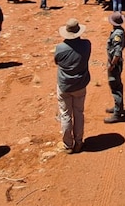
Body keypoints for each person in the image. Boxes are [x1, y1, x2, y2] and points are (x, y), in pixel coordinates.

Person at [55, 18, 91, 154]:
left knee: (65, 115)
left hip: (64, 85)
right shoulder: (87, 45)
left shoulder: (60, 48)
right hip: (80, 85)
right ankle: (79, 141)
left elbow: (56, 61)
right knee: (79, 113)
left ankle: (68, 144)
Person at [104, 12, 125, 123]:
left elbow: (117, 53)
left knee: (115, 85)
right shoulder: (121, 31)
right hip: (117, 62)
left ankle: (117, 113)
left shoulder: (117, 34)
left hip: (115, 63)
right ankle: (118, 107)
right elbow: (124, 45)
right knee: (117, 85)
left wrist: (112, 65)